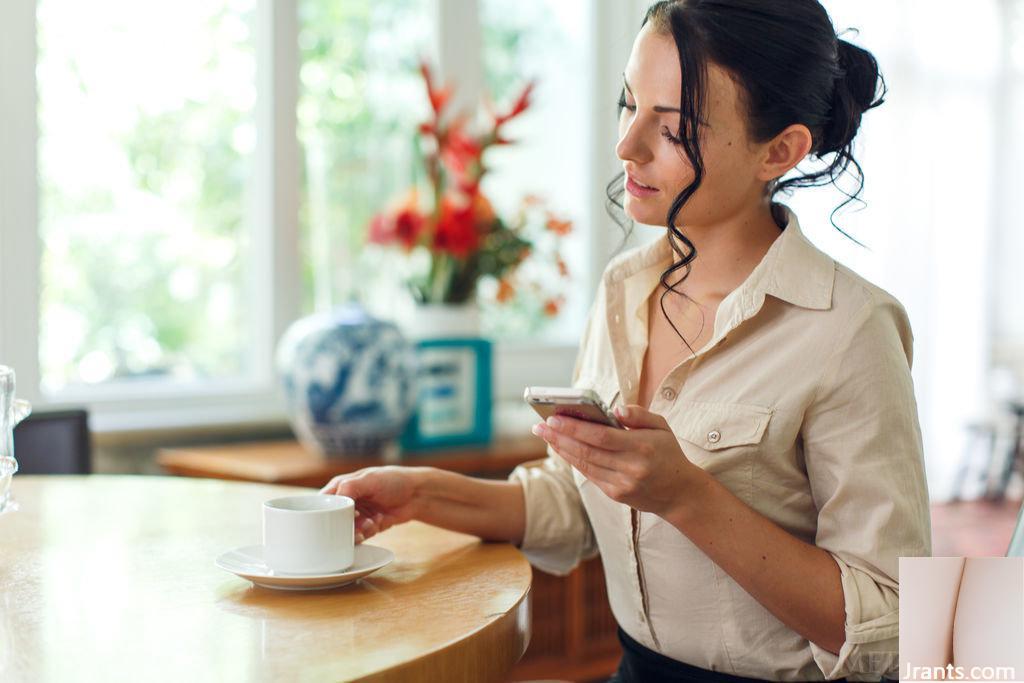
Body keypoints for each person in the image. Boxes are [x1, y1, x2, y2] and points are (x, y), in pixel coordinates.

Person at [321, 1, 931, 680]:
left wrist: (688, 496)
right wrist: (421, 495)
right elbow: (576, 499)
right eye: (627, 102)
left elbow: (898, 626)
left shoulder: (850, 328)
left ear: (780, 150)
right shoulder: (624, 288)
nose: (626, 144)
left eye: (672, 129)